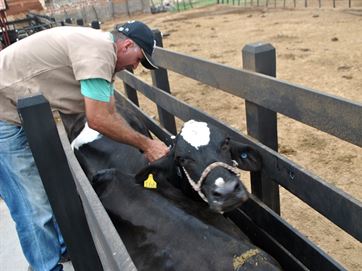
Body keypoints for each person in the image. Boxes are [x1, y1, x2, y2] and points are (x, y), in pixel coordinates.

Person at [0, 20, 169, 271]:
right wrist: (147, 145)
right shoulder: (98, 51)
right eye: (138, 59)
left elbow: (109, 111)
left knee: (44, 192)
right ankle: (46, 267)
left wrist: (140, 146)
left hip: (24, 113)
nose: (135, 67)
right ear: (127, 44)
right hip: (5, 116)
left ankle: (59, 249)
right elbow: (99, 119)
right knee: (31, 204)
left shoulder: (103, 54)